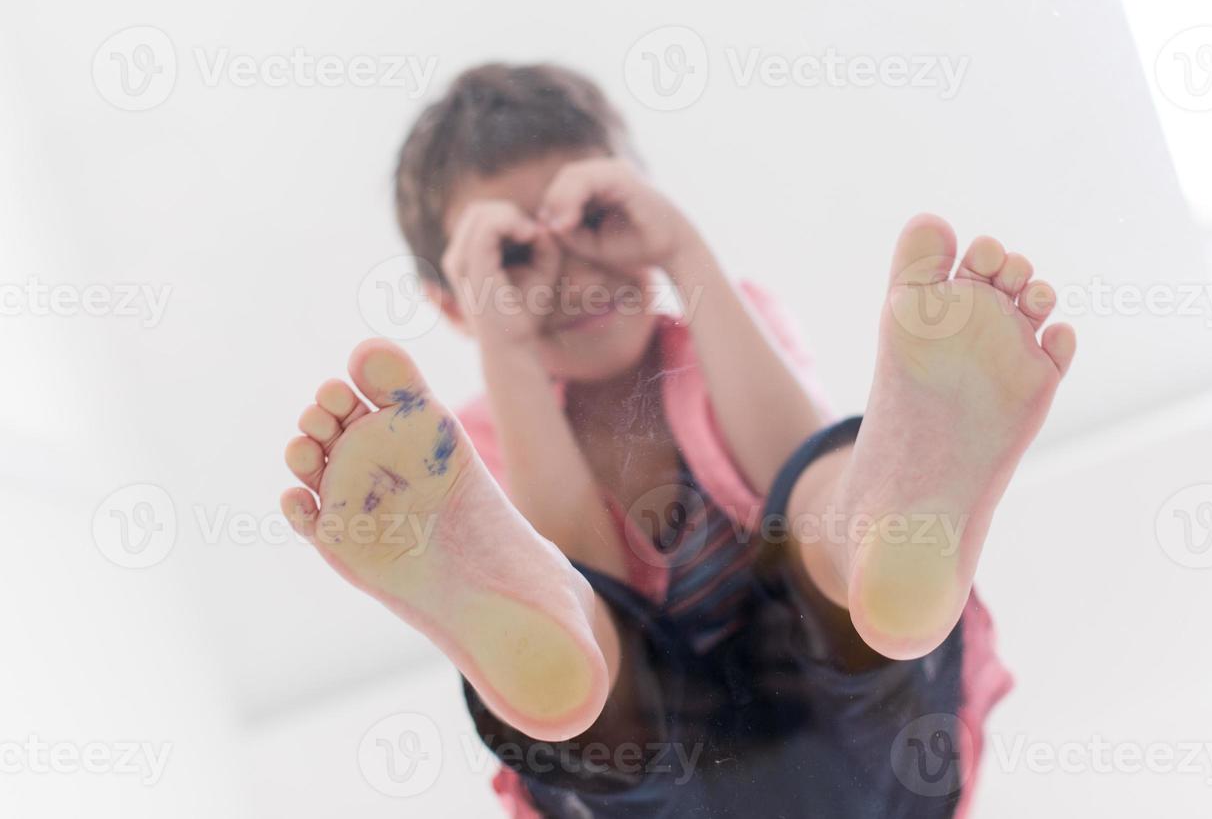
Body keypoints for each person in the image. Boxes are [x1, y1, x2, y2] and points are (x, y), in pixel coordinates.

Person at [280, 63, 1076, 817]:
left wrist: (686, 253)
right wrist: (507, 347)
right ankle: (564, 653)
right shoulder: (458, 458)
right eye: (515, 256)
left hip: (866, 734)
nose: (572, 272)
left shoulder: (724, 334)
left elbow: (784, 458)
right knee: (580, 639)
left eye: (595, 218)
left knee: (815, 500)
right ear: (456, 307)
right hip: (648, 781)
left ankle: (887, 524)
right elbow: (581, 560)